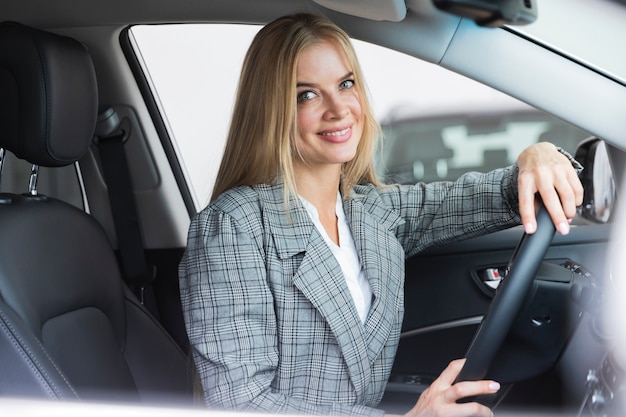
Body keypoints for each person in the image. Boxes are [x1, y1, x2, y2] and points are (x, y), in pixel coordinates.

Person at [178, 12, 584, 417]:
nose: (339, 109)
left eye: (345, 84)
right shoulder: (233, 227)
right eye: (307, 94)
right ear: (271, 110)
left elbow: (494, 195)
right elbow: (239, 403)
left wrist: (541, 156)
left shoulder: (370, 210)